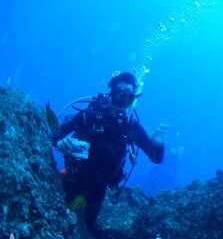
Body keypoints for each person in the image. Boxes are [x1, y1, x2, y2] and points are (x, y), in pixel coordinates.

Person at [51, 72, 166, 229]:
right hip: (74, 175)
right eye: (120, 94)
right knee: (53, 213)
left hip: (99, 186)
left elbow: (156, 158)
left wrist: (157, 144)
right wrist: (60, 143)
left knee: (89, 225)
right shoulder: (91, 115)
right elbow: (55, 134)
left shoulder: (131, 127)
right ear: (111, 94)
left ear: (133, 101)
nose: (123, 101)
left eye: (129, 97)